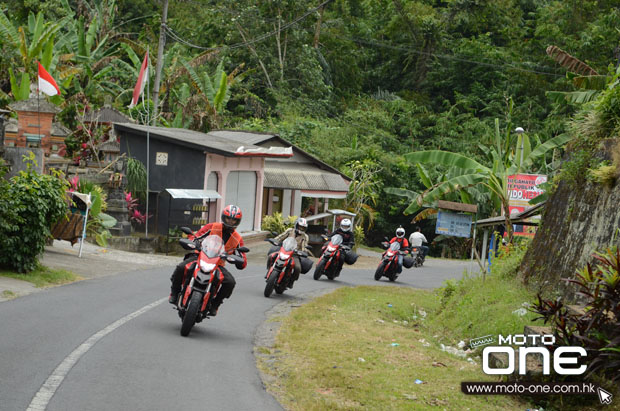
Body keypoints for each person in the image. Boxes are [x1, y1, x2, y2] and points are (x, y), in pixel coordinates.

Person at [168, 204, 247, 316]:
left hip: (217, 264)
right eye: (228, 218)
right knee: (181, 267)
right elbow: (196, 236)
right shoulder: (212, 226)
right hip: (199, 257)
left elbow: (242, 258)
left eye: (234, 220)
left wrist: (239, 260)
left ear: (237, 221)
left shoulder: (238, 238)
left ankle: (215, 304)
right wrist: (193, 242)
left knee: (230, 282)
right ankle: (174, 292)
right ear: (223, 217)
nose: (230, 221)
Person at [267, 217, 311, 288]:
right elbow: (281, 237)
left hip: (295, 254)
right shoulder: (290, 231)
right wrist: (274, 240)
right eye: (300, 227)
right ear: (296, 225)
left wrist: (304, 251)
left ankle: (291, 281)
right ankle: (269, 270)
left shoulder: (305, 236)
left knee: (297, 268)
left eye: (303, 228)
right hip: (284, 250)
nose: (301, 229)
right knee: (271, 256)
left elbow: (304, 246)